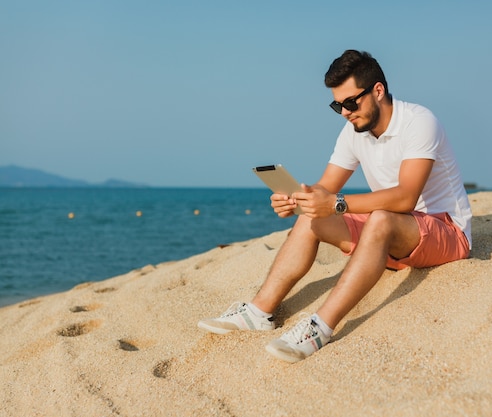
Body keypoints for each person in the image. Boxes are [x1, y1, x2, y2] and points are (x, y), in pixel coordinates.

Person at [198, 50, 472, 363]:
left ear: (377, 91)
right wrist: (298, 199)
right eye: (336, 105)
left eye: (350, 102)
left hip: (447, 233)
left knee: (380, 218)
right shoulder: (354, 132)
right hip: (394, 239)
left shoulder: (419, 122)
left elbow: (405, 197)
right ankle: (259, 311)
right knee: (311, 217)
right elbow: (327, 187)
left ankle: (320, 327)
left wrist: (336, 204)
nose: (344, 112)